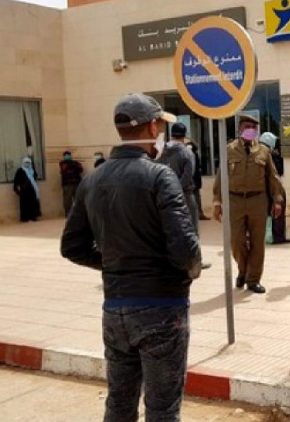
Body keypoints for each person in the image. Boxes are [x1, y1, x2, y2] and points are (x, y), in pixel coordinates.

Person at [60, 93, 202, 422]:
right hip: (162, 310)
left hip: (115, 310)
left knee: (119, 405)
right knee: (163, 409)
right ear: (152, 127)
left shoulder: (92, 180)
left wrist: (113, 263)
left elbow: (71, 246)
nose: (161, 134)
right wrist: (190, 272)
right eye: (160, 126)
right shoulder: (160, 176)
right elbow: (186, 250)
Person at [213, 114, 284, 294]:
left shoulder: (263, 151)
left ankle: (253, 280)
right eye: (247, 127)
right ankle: (242, 271)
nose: (250, 130)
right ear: (240, 129)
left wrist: (277, 200)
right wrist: (217, 202)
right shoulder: (229, 149)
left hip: (257, 200)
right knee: (236, 242)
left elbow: (273, 177)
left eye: (253, 128)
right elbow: (221, 177)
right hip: (235, 200)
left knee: (257, 242)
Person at [159, 123, 199, 232]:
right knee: (190, 229)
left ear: (171, 134)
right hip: (185, 196)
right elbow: (188, 175)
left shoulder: (161, 151)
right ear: (184, 135)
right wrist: (177, 190)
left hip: (165, 196)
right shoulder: (187, 152)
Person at [260, 131, 290, 244]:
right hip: (273, 188)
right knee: (277, 212)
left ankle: (269, 236)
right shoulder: (270, 156)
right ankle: (277, 237)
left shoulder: (257, 154)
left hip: (263, 190)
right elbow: (279, 171)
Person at [185, 140, 209, 220]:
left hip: (193, 180)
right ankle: (198, 213)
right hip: (194, 180)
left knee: (194, 198)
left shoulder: (189, 154)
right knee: (195, 198)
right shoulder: (193, 154)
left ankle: (197, 213)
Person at [13, 156, 41, 222]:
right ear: (23, 163)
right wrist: (17, 191)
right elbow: (16, 181)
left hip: (32, 190)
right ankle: (25, 218)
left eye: (28, 162)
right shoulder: (20, 170)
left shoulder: (32, 170)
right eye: (26, 162)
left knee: (33, 203)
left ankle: (33, 217)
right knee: (25, 205)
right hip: (24, 191)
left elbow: (35, 177)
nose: (27, 164)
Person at [59, 150, 83, 216]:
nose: (67, 156)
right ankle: (68, 214)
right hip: (67, 184)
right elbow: (64, 170)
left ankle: (78, 214)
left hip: (76, 183)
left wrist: (72, 166)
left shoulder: (75, 162)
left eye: (68, 155)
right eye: (66, 155)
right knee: (67, 200)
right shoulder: (62, 163)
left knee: (77, 199)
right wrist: (73, 166)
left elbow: (80, 169)